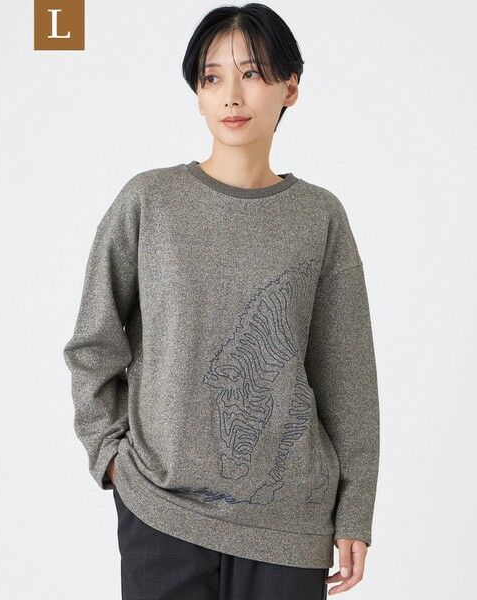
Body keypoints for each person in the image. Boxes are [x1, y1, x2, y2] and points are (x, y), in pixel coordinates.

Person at [63, 3, 380, 599]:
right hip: (161, 508)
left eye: (253, 73)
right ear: (198, 94)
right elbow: (93, 343)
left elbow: (348, 376)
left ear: (290, 88)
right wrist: (109, 456)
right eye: (212, 77)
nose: (232, 95)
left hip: (290, 519)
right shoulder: (149, 201)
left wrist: (355, 509)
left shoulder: (319, 216)